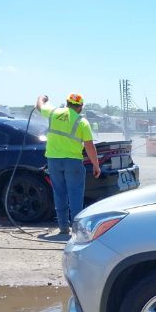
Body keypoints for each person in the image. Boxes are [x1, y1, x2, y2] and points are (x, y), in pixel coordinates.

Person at [35, 93, 101, 235]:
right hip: (73, 162)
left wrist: (42, 97)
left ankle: (63, 228)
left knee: (59, 193)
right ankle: (77, 230)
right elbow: (89, 146)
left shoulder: (53, 112)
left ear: (67, 103)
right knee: (75, 195)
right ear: (80, 107)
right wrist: (96, 165)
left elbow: (39, 106)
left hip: (53, 161)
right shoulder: (81, 122)